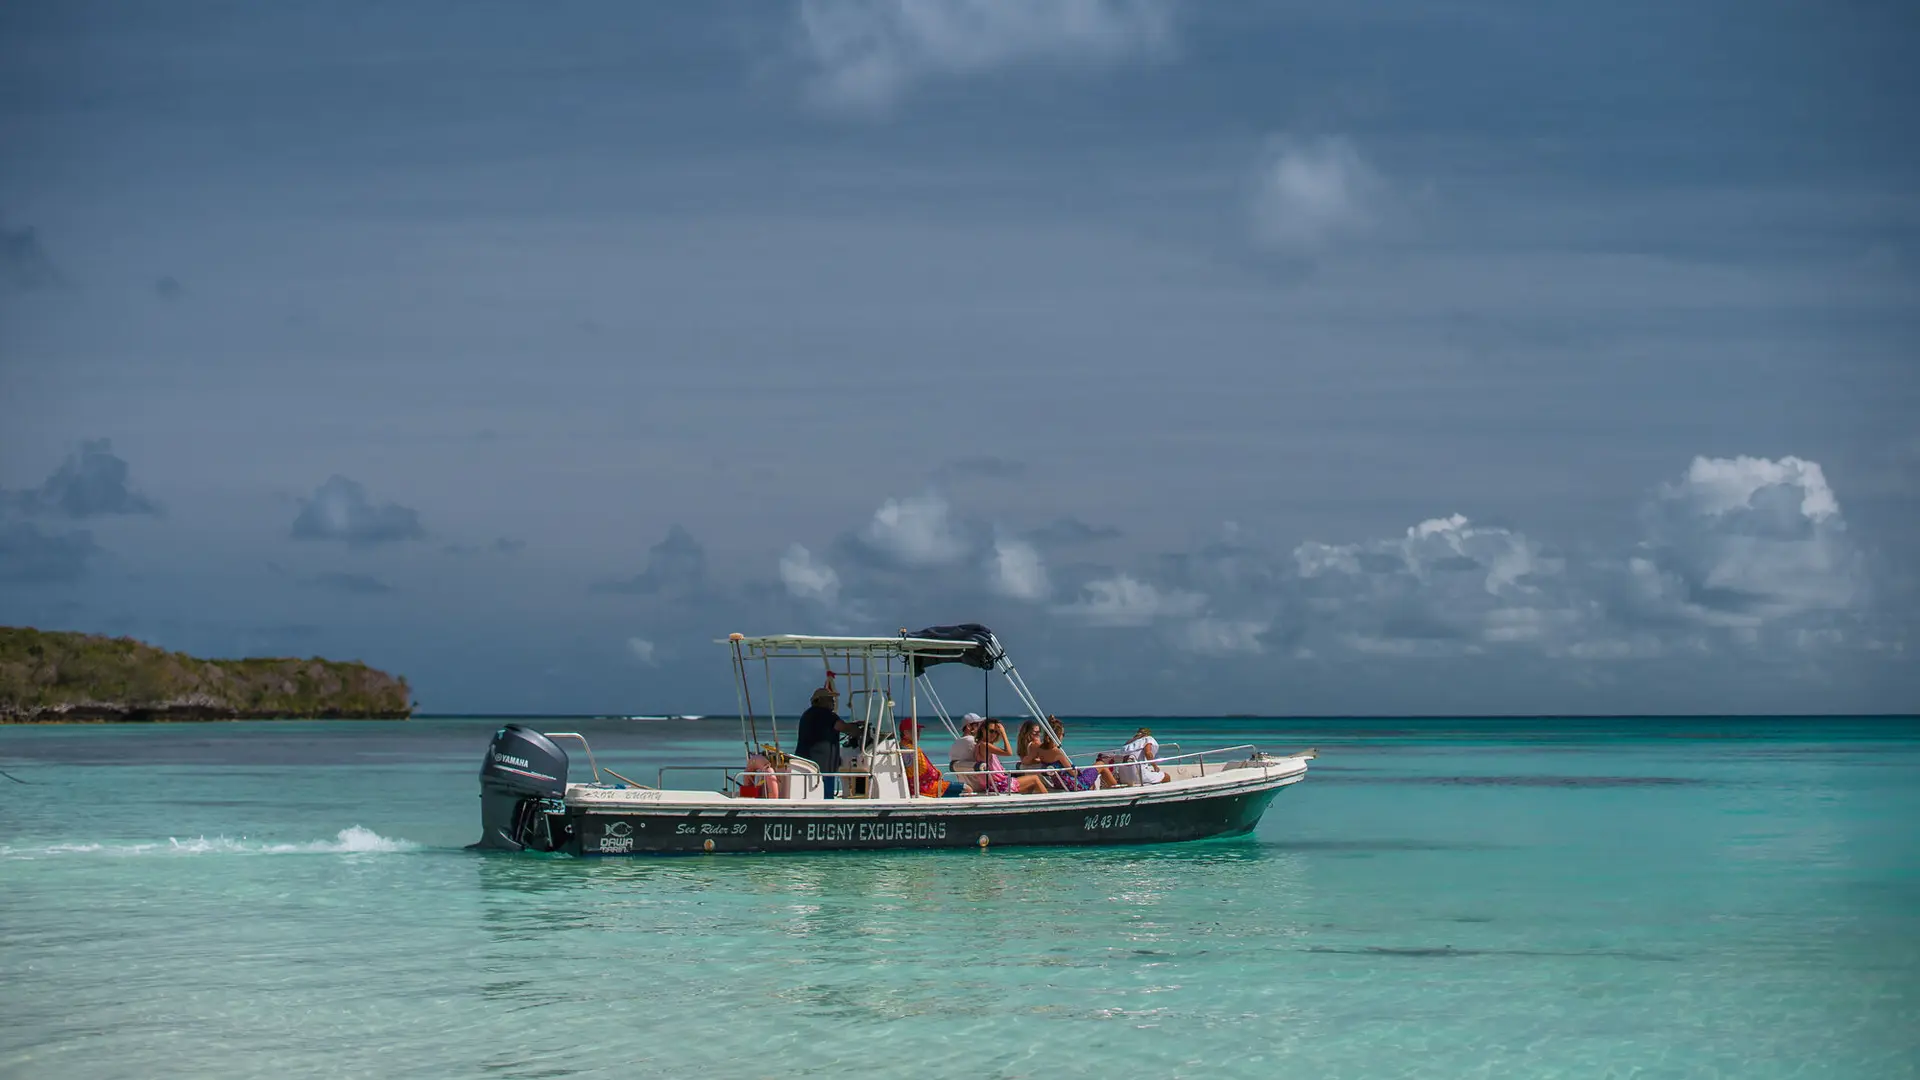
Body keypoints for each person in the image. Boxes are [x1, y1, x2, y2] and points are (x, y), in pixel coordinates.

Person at [794, 686, 852, 798]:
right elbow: (843, 727)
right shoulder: (827, 715)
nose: (833, 702)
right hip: (823, 768)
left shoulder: (807, 714)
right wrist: (857, 730)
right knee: (826, 797)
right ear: (820, 700)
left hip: (806, 763)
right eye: (830, 699)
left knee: (810, 794)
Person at [897, 719, 967, 797]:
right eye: (916, 731)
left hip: (918, 786)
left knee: (959, 790)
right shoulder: (910, 750)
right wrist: (937, 774)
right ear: (906, 733)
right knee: (966, 788)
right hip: (926, 787)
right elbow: (924, 770)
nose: (919, 733)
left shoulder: (904, 747)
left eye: (919, 731)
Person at [948, 714, 983, 792]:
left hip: (964, 785)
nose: (981, 728)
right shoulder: (973, 741)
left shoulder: (955, 743)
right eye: (978, 725)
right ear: (968, 727)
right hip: (980, 785)